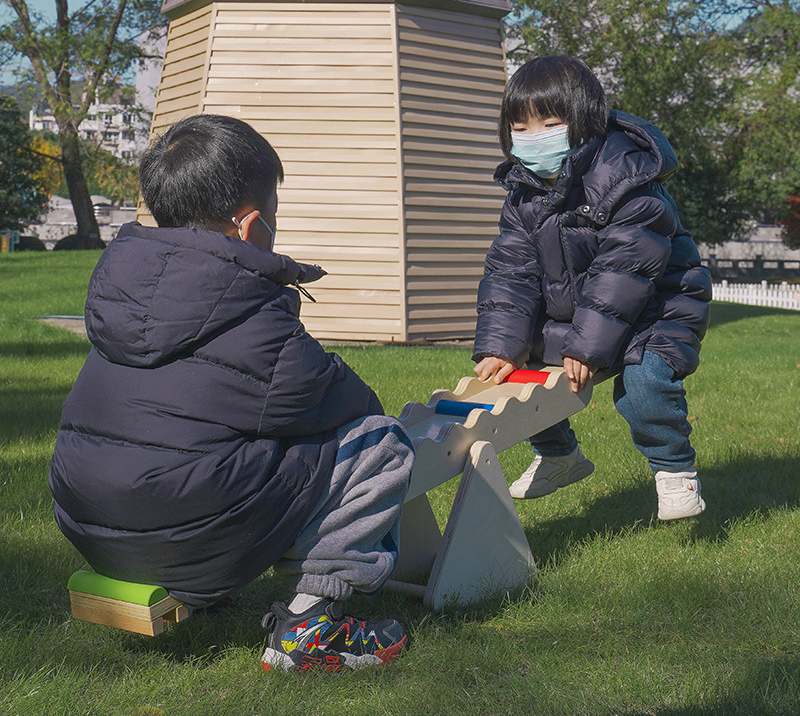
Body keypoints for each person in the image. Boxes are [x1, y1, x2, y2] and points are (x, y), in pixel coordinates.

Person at [49, 114, 415, 672]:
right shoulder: (250, 314)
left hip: (93, 528)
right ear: (250, 225)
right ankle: (310, 627)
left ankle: (210, 588)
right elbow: (350, 403)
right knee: (381, 443)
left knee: (189, 440)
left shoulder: (125, 290)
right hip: (181, 537)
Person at [473, 56, 712, 521]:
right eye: (520, 127)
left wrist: (587, 347)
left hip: (657, 307)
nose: (532, 137)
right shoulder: (525, 194)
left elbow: (623, 270)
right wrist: (503, 346)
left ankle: (674, 469)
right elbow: (511, 274)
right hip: (588, 311)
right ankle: (560, 455)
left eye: (550, 123)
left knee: (643, 384)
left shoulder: (628, 181)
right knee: (520, 373)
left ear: (583, 123)